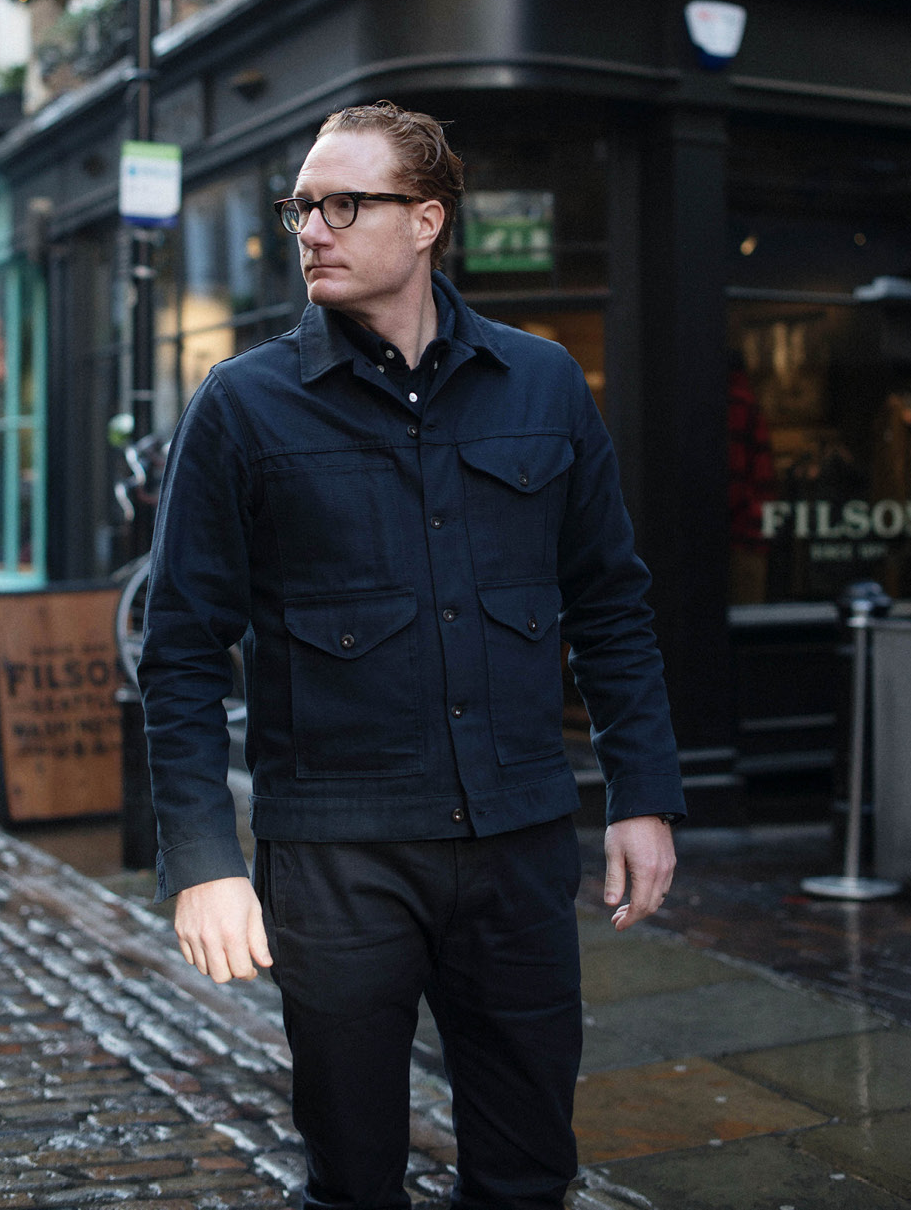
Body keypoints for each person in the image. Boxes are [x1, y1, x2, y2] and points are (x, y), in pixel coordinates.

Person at [139, 101, 684, 1209]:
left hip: (519, 843)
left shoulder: (542, 384)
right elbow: (182, 651)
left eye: (346, 204)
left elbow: (611, 606)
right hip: (338, 859)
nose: (312, 230)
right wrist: (201, 860)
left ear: (427, 219)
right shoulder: (240, 407)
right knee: (352, 1176)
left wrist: (644, 796)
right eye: (301, 208)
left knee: (529, 1170)